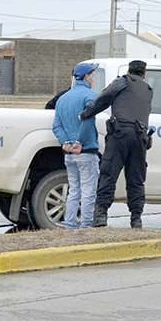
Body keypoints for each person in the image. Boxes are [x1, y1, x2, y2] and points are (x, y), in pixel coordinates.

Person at [80, 60, 153, 228]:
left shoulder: (121, 82)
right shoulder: (148, 90)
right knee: (136, 179)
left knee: (108, 174)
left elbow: (103, 100)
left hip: (120, 136)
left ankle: (100, 215)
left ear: (130, 70)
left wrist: (86, 114)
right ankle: (136, 219)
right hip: (140, 137)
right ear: (144, 73)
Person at [51, 63, 100, 229]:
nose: (93, 78)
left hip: (69, 155)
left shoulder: (63, 99)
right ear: (86, 77)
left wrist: (66, 143)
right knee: (88, 191)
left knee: (74, 190)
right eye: (92, 75)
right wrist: (79, 142)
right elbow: (88, 121)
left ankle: (70, 223)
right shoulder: (90, 96)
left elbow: (56, 126)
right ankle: (86, 225)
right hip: (86, 151)